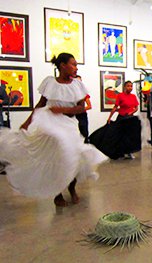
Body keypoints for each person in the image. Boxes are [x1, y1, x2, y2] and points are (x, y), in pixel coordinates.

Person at [0, 53, 107, 207]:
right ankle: (57, 193)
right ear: (63, 65)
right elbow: (41, 104)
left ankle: (71, 188)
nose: (76, 67)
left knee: (73, 157)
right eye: (73, 64)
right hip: (51, 126)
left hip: (69, 126)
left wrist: (61, 109)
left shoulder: (77, 85)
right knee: (55, 160)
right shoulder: (50, 83)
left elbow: (81, 108)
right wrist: (27, 122)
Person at [89, 81, 141, 160]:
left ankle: (129, 152)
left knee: (129, 137)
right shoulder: (120, 96)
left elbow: (136, 108)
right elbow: (115, 107)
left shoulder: (133, 96)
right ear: (124, 87)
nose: (130, 88)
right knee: (119, 136)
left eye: (131, 86)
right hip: (121, 118)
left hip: (130, 119)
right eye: (128, 86)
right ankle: (119, 152)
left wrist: (131, 112)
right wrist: (109, 117)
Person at [74, 75, 92, 142]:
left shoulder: (84, 93)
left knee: (84, 133)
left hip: (82, 115)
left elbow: (89, 106)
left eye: (80, 81)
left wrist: (80, 109)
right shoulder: (70, 92)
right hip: (72, 115)